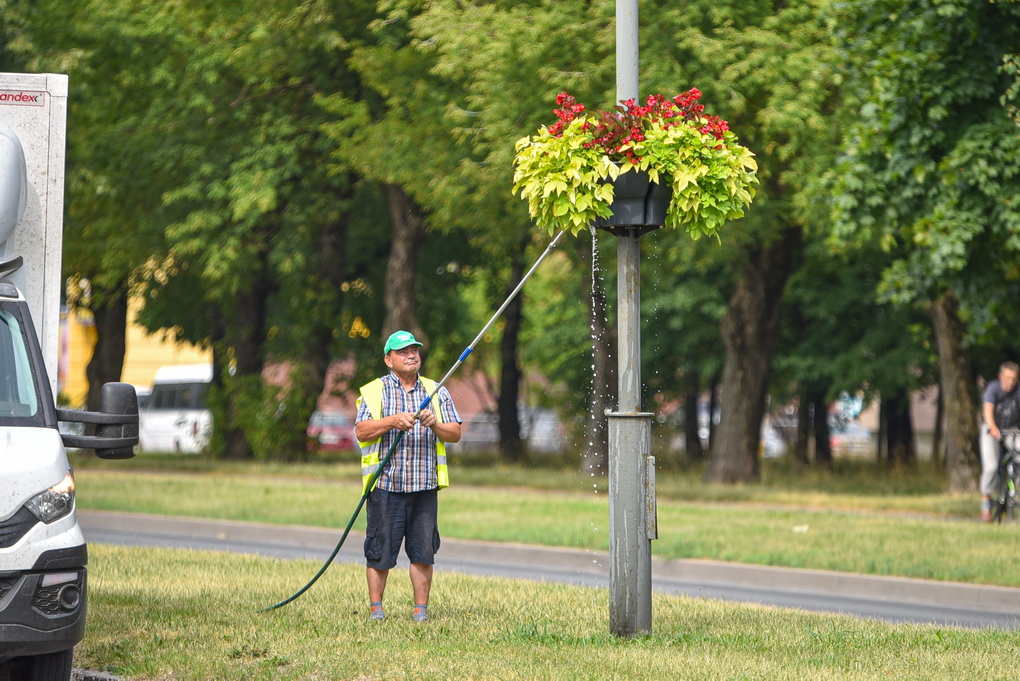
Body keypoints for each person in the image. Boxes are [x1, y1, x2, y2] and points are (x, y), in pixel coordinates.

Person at [354, 330, 462, 622]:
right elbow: (361, 431)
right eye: (403, 351)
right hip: (386, 486)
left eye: (414, 349)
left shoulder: (436, 390)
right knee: (380, 552)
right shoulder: (374, 391)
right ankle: (377, 611)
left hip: (424, 486)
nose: (412, 354)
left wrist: (435, 424)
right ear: (389, 360)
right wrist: (392, 421)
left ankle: (420, 611)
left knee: (423, 552)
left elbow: (455, 433)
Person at [979, 361, 1020, 522]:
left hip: (1012, 430)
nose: (1010, 382)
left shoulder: (1018, 390)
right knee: (991, 466)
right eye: (1007, 378)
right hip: (992, 430)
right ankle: (986, 503)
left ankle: (1014, 489)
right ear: (1000, 377)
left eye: (1014, 379)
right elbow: (988, 409)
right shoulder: (993, 388)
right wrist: (992, 426)